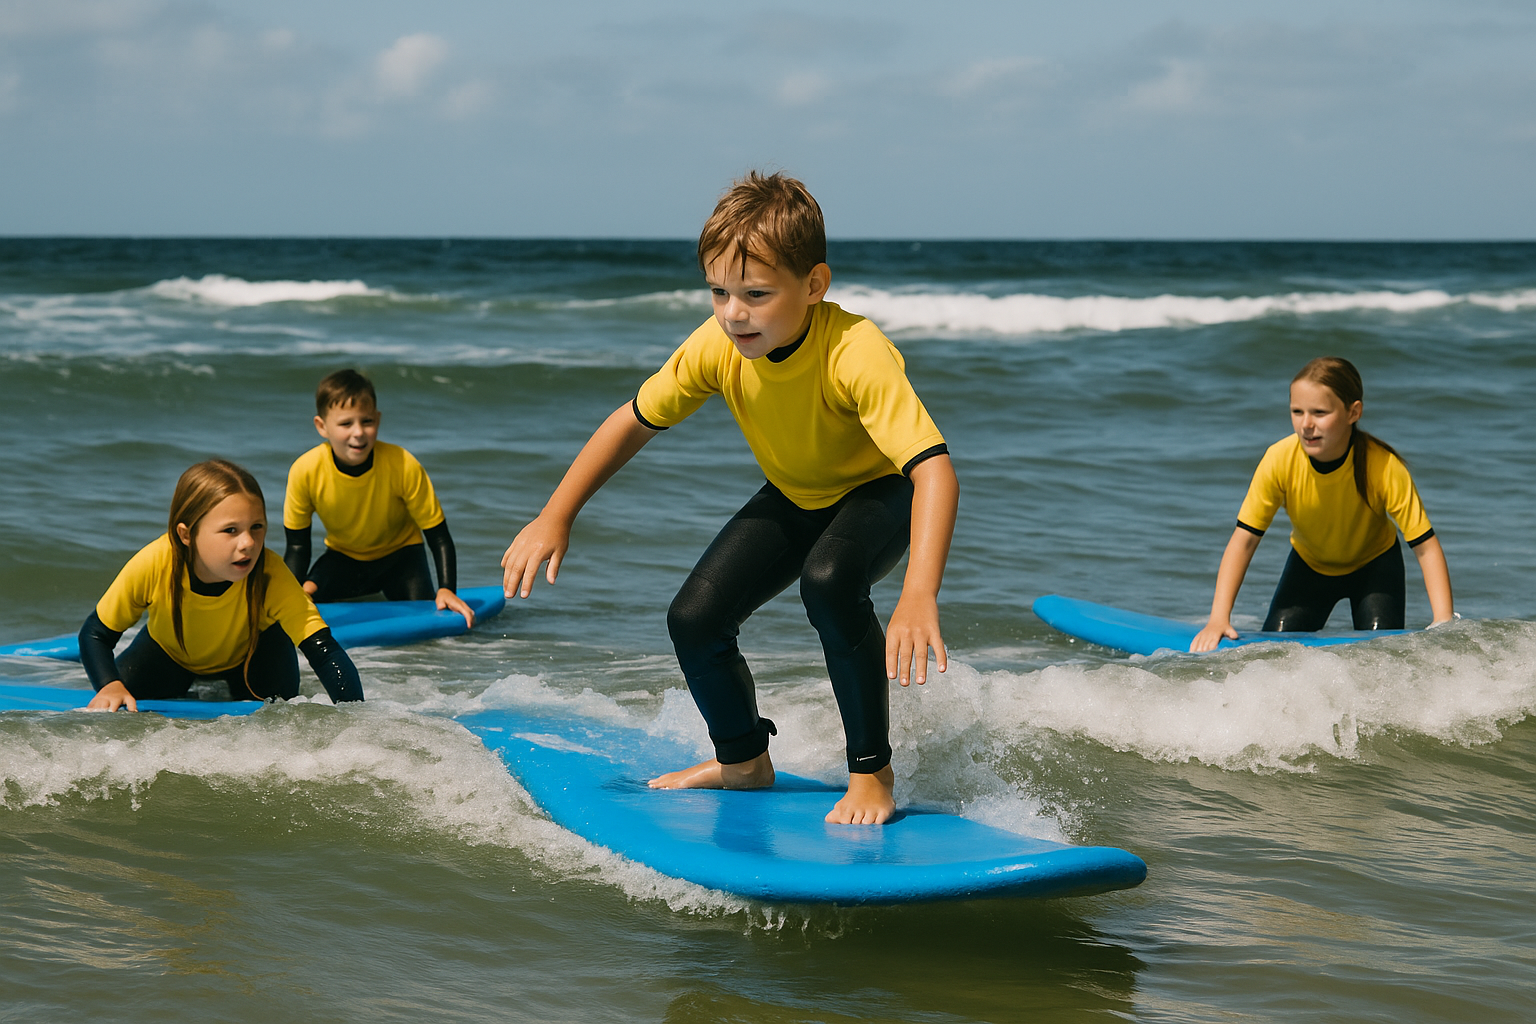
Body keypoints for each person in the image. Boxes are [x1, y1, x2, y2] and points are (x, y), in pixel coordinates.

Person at [501, 171, 959, 826]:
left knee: (829, 582)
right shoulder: (718, 346)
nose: (733, 312)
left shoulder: (855, 352)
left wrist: (920, 592)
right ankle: (743, 762)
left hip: (880, 493)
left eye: (756, 293)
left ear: (814, 286)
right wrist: (556, 513)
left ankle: (872, 776)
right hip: (798, 494)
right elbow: (634, 418)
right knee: (695, 617)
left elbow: (935, 471)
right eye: (718, 291)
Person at [1190, 356, 1453, 653]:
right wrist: (1218, 619)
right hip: (1309, 568)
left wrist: (1443, 619)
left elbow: (1425, 546)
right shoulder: (1279, 460)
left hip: (1375, 570)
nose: (1306, 425)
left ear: (1353, 412)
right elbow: (1245, 540)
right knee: (1274, 658)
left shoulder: (1384, 467)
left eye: (1319, 412)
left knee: (1381, 657)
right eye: (1297, 411)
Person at [81, 459, 365, 711]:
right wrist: (109, 685)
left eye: (257, 526)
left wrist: (355, 719)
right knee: (122, 706)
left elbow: (323, 649)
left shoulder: (269, 572)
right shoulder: (156, 563)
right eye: (231, 530)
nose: (249, 543)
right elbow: (96, 634)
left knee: (281, 715)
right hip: (169, 654)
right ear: (186, 534)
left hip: (254, 658)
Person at [283, 369, 474, 627]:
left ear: (378, 420)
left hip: (401, 558)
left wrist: (447, 589)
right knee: (305, 594)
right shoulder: (305, 471)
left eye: (367, 421)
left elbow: (438, 537)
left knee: (425, 625)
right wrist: (289, 601)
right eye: (345, 423)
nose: (358, 432)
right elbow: (297, 547)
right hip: (344, 559)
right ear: (322, 426)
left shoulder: (402, 464)